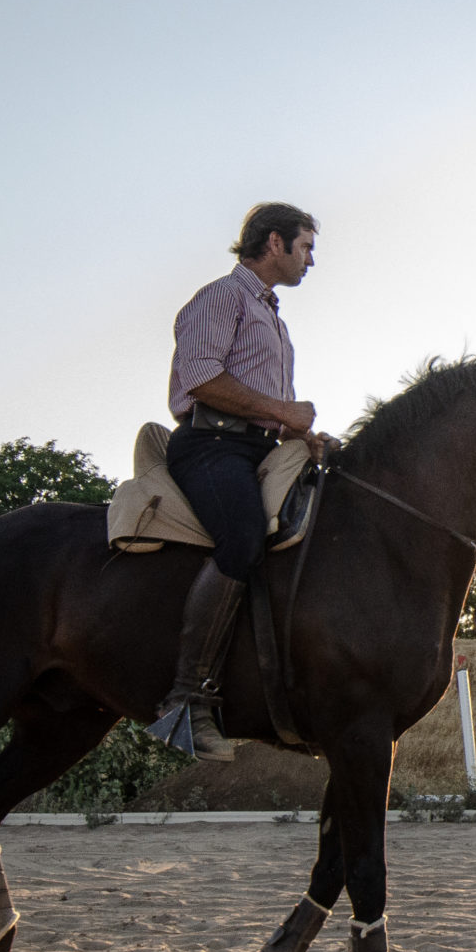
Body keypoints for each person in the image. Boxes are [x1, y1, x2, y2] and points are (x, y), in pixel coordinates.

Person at [150, 203, 325, 762]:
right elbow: (201, 378)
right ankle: (185, 702)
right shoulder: (220, 298)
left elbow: (273, 412)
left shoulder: (274, 318)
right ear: (274, 242)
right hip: (211, 446)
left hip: (257, 447)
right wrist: (284, 410)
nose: (311, 261)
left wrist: (302, 434)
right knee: (244, 536)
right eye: (306, 247)